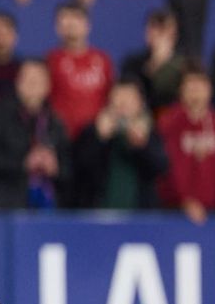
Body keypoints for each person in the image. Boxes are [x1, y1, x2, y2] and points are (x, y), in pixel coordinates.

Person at [0, 59, 71, 209]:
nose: (33, 85)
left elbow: (68, 166)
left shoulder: (54, 122)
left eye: (38, 80)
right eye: (28, 79)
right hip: (5, 206)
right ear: (17, 83)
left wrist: (55, 166)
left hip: (47, 207)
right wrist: (23, 163)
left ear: (48, 86)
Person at [71, 81, 167, 209]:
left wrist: (143, 145)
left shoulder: (151, 132)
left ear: (140, 103)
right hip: (98, 217)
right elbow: (77, 169)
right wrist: (99, 139)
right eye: (118, 97)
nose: (123, 103)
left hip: (140, 218)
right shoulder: (91, 131)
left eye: (129, 98)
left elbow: (161, 167)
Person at [47, 2, 115, 141]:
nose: (71, 23)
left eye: (76, 18)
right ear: (57, 27)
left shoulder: (103, 59)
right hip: (62, 138)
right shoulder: (50, 60)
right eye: (65, 18)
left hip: (96, 138)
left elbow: (112, 97)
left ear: (88, 25)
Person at [157, 66, 215, 224]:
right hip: (176, 213)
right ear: (181, 90)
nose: (196, 90)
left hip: (212, 214)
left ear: (210, 88)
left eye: (201, 84)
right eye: (190, 85)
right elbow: (165, 169)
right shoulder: (169, 123)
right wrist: (185, 201)